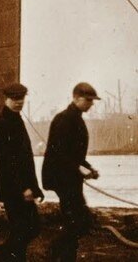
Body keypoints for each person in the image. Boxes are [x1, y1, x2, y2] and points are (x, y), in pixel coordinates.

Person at [42, 82, 100, 261]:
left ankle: (63, 255)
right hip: (62, 179)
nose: (91, 103)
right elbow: (59, 153)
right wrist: (79, 168)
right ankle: (54, 250)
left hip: (70, 178)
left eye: (92, 100)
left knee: (76, 222)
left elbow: (75, 154)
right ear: (76, 98)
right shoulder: (65, 119)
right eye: (88, 100)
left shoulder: (75, 118)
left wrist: (88, 167)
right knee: (78, 222)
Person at [0, 82, 43, 261]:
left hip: (21, 187)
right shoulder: (2, 125)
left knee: (30, 227)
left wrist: (34, 188)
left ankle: (2, 254)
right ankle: (3, 254)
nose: (19, 101)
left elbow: (25, 160)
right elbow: (8, 163)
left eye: (22, 98)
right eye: (15, 98)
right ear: (6, 99)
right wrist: (23, 188)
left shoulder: (15, 119)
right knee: (25, 228)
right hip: (13, 188)